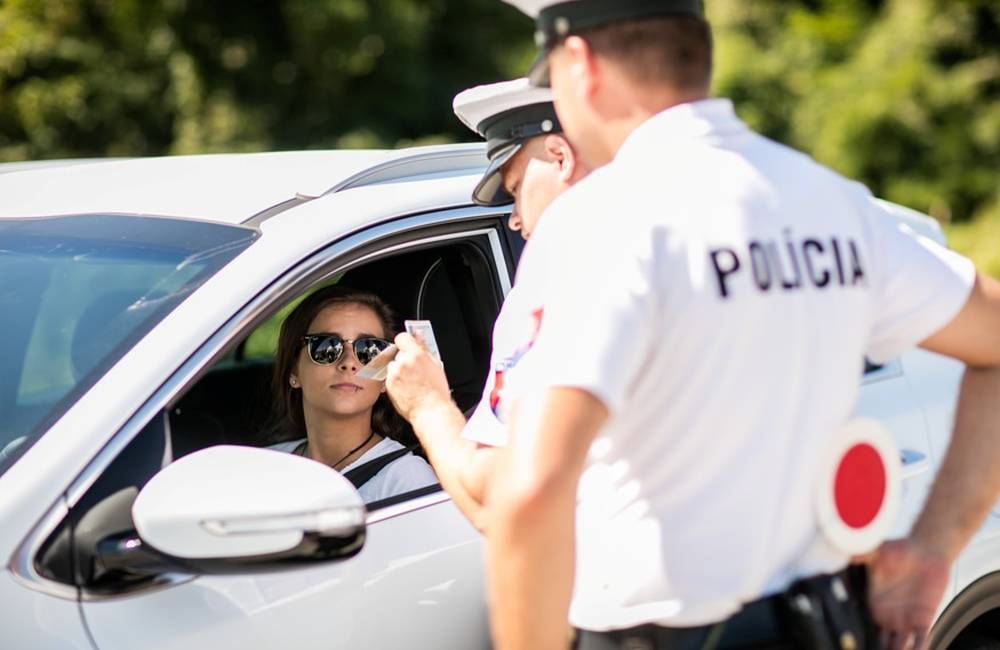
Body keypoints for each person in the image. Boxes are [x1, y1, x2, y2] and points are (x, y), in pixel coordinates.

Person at [479, 1, 1000, 649]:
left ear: (580, 64)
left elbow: (530, 493)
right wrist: (931, 550)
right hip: (823, 623)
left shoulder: (599, 222)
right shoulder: (827, 201)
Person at [385, 78, 593, 530]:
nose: (515, 218)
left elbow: (498, 500)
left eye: (516, 189)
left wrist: (426, 403)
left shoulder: (558, 293)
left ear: (560, 156)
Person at [266, 284, 437, 504]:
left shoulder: (407, 481)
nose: (348, 362)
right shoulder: (266, 464)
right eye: (327, 346)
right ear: (294, 371)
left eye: (369, 349)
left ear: (385, 377)